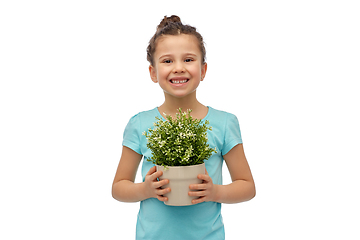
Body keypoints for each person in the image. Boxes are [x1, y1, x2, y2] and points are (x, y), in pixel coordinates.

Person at [112, 15, 256, 240]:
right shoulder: (139, 124)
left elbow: (247, 186)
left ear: (203, 69)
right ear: (153, 72)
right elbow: (119, 187)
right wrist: (145, 190)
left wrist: (215, 191)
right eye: (167, 61)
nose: (178, 68)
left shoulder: (224, 123)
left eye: (188, 60)